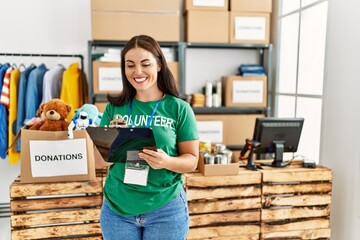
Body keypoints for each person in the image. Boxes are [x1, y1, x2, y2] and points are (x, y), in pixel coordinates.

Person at [99, 35, 199, 240]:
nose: (137, 72)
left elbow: (192, 161)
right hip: (118, 207)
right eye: (130, 65)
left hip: (166, 208)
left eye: (145, 64)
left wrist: (166, 161)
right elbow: (99, 160)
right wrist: (108, 138)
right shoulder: (114, 108)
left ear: (159, 65)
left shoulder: (179, 109)